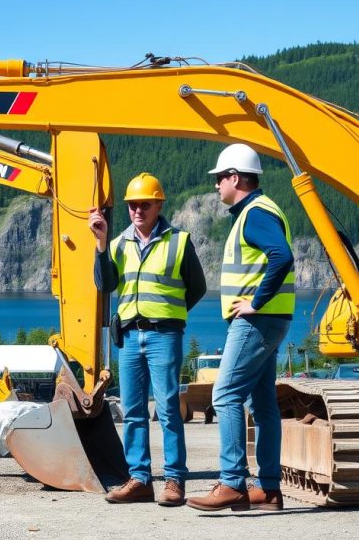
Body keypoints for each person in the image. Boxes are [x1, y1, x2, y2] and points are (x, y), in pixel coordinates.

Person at [187, 144, 293, 512]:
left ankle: (232, 482)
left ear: (235, 177)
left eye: (220, 179)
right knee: (262, 404)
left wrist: (256, 303)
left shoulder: (255, 213)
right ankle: (268, 490)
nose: (216, 186)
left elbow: (282, 256)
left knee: (225, 394)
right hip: (270, 321)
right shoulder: (258, 211)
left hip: (255, 321)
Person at [90, 172, 207, 506]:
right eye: (132, 205)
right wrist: (100, 244)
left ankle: (174, 480)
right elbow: (104, 284)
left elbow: (196, 287)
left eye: (144, 204)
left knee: (169, 408)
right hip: (128, 337)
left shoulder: (179, 241)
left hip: (163, 335)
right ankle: (139, 479)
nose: (137, 211)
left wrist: (170, 314)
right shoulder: (116, 244)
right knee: (134, 411)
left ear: (158, 205)